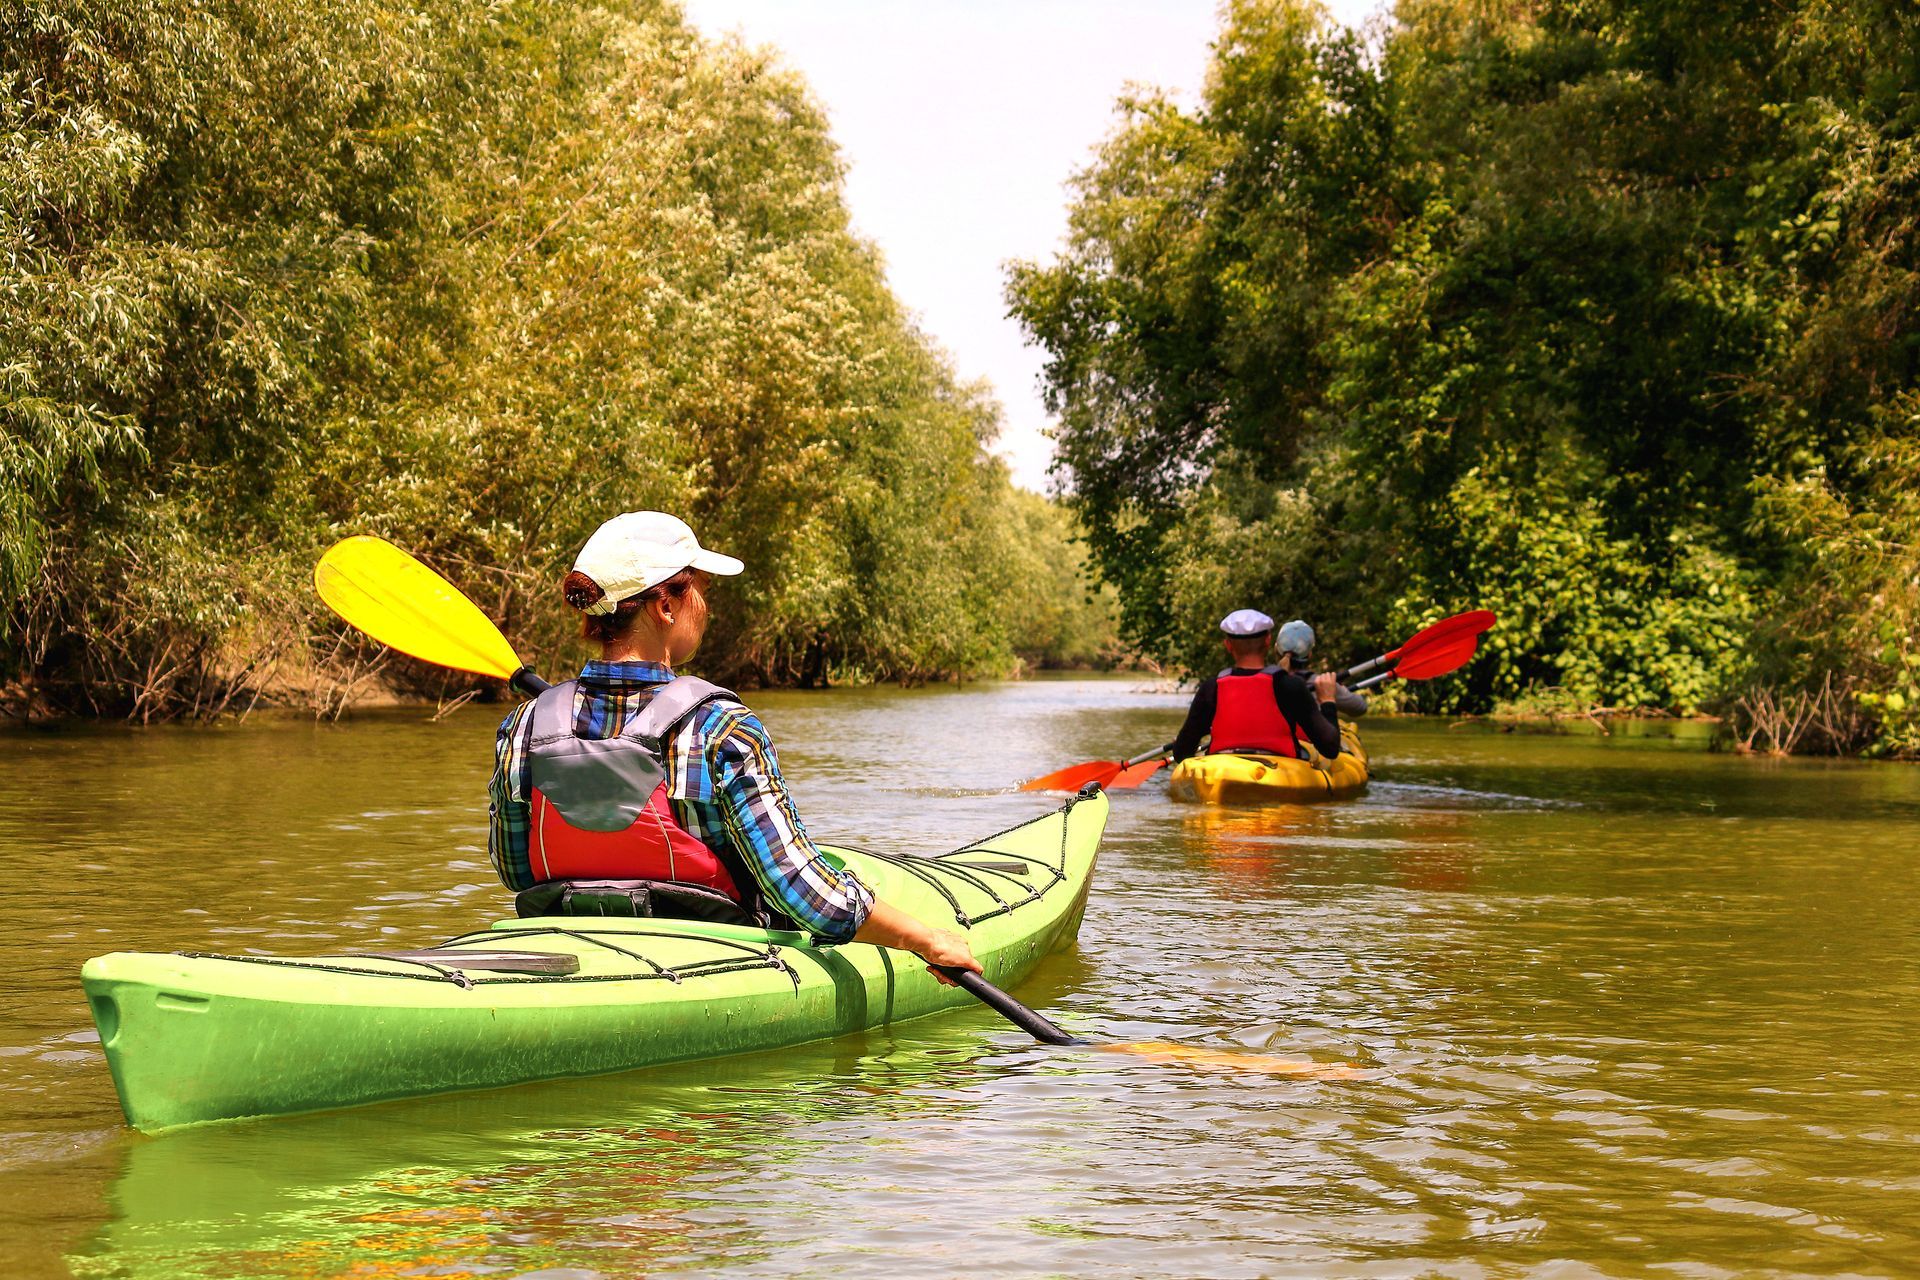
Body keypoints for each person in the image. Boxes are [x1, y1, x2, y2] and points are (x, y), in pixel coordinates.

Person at [487, 510, 980, 983]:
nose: (706, 607)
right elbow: (808, 899)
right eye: (700, 591)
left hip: (572, 940)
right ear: (665, 606)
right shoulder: (722, 727)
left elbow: (516, 871)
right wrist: (924, 940)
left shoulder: (525, 726)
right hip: (713, 958)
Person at [1169, 609, 1342, 764]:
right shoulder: (1290, 685)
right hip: (1279, 770)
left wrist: (1188, 739)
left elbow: (1182, 754)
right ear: (1268, 641)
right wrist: (1327, 701)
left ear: (1228, 646)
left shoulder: (1211, 688)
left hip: (1222, 768)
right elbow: (1330, 749)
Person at [1275, 619, 1369, 718]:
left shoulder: (1264, 680)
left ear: (1276, 648)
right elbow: (1360, 707)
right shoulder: (1320, 683)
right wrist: (1342, 690)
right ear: (1309, 654)